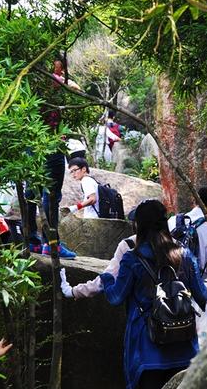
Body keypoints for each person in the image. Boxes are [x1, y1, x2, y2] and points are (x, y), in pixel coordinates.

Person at [100, 200, 207, 389]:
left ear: (138, 226)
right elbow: (203, 296)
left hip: (147, 350)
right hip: (184, 347)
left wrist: (107, 279)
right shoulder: (184, 254)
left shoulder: (132, 259)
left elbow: (116, 297)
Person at [24, 53, 77, 258]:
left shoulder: (29, 83)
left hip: (32, 143)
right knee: (49, 196)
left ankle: (33, 241)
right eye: (60, 65)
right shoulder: (50, 83)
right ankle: (50, 243)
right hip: (50, 145)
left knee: (33, 193)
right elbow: (72, 87)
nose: (62, 69)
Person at [59, 207, 140, 299]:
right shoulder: (159, 245)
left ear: (136, 224)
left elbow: (113, 290)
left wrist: (73, 292)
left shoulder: (129, 245)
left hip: (140, 309)